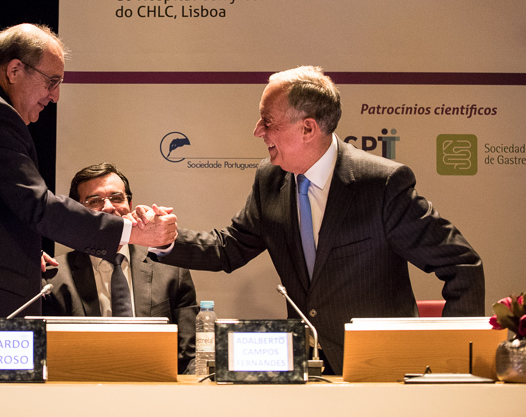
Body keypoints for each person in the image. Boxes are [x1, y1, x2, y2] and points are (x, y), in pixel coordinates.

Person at [152, 66, 484, 374]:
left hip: (378, 371)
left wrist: (452, 357)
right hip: (306, 371)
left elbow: (461, 263)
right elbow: (228, 248)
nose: (257, 131)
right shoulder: (269, 179)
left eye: (267, 121)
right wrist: (162, 238)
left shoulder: (380, 185)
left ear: (308, 128)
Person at [0, 24, 175, 320]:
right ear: (14, 70)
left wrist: (17, 253)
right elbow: (37, 205)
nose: (55, 96)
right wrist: (130, 231)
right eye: (52, 81)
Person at [42, 163, 198, 374]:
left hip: (157, 386)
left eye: (116, 198)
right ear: (77, 212)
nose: (108, 207)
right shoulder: (53, 277)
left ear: (129, 204)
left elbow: (191, 356)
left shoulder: (171, 270)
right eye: (94, 201)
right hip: (83, 386)